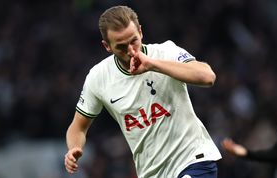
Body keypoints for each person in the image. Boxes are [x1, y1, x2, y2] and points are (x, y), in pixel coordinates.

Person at [64, 5, 221, 178]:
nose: (131, 51)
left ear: (140, 31)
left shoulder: (166, 52)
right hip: (151, 172)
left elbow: (208, 76)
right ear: (107, 46)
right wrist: (73, 149)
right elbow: (78, 127)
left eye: (134, 41)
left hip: (193, 160)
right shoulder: (98, 78)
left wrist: (152, 65)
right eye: (121, 47)